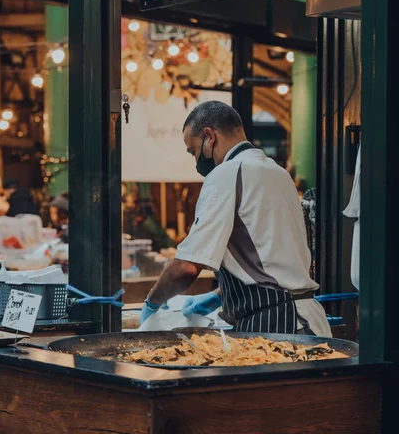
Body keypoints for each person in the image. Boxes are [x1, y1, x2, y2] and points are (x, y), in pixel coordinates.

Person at [140, 101, 331, 337]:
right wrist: (218, 297)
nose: (195, 160)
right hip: (308, 321)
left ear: (209, 136)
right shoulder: (278, 173)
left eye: (193, 151)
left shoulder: (226, 173)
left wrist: (152, 302)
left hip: (276, 326)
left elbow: (186, 267)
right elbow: (272, 264)